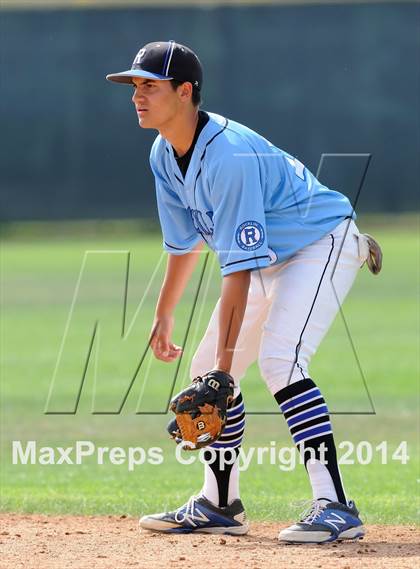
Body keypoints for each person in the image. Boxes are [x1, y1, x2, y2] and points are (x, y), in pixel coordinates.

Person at [107, 40, 380, 543]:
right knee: (205, 365)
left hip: (320, 244)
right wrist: (165, 315)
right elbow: (185, 243)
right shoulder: (164, 152)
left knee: (280, 361)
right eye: (134, 87)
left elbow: (235, 270)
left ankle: (336, 505)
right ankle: (220, 503)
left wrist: (225, 376)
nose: (137, 96)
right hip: (270, 258)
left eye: (150, 86)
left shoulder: (228, 156)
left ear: (185, 91)